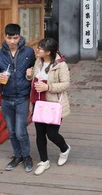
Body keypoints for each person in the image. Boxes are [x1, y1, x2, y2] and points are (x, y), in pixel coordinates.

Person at [0, 24, 36, 172]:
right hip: (6, 97)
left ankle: (27, 156)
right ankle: (17, 156)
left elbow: (36, 71)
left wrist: (30, 75)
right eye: (9, 38)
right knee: (11, 131)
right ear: (5, 37)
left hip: (22, 96)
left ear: (19, 37)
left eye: (15, 38)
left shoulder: (28, 52)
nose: (12, 41)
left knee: (20, 130)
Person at [26, 37, 71, 176]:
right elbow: (34, 78)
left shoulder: (60, 65)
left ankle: (64, 149)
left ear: (48, 52)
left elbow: (65, 84)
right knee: (39, 134)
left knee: (52, 134)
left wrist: (48, 86)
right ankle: (44, 161)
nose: (37, 49)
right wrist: (29, 76)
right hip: (38, 103)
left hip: (53, 104)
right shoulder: (38, 62)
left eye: (40, 48)